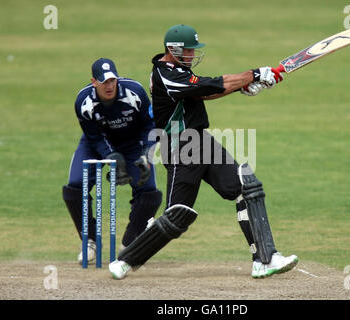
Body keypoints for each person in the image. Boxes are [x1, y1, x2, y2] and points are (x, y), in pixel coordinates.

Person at [109, 25, 297, 279]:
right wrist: (254, 74)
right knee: (177, 216)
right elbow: (210, 85)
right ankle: (126, 260)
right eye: (188, 50)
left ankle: (265, 259)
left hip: (200, 140)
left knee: (246, 187)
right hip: (180, 146)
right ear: (172, 49)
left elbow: (204, 93)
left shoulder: (178, 71)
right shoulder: (166, 74)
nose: (192, 54)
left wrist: (244, 86)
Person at [62, 58, 162, 265]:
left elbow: (150, 125)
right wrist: (111, 156)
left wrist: (147, 153)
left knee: (149, 193)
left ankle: (130, 245)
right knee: (74, 187)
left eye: (112, 81)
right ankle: (89, 241)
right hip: (95, 144)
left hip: (134, 143)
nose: (109, 86)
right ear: (94, 82)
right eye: (104, 82)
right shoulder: (84, 101)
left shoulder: (135, 92)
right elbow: (94, 136)